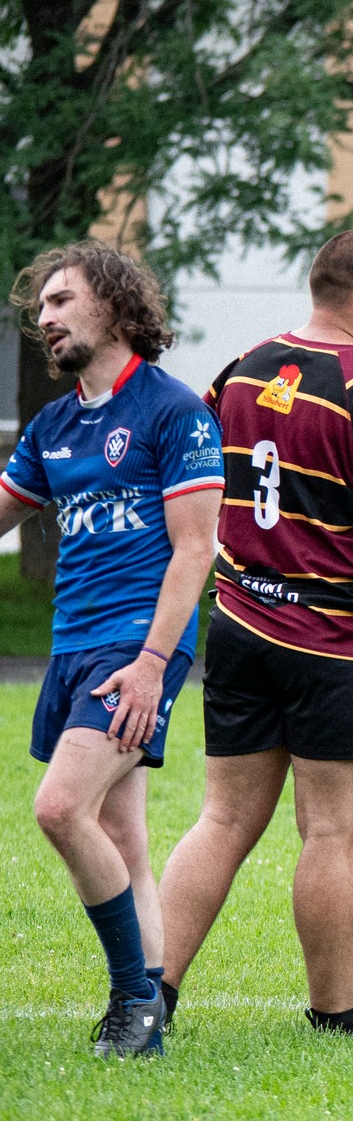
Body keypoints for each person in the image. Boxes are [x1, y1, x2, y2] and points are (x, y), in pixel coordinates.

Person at [158, 231, 353, 1036]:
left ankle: (147, 993)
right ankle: (334, 1016)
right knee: (333, 829)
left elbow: (195, 473)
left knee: (221, 818)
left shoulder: (242, 368)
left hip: (236, 622)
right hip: (335, 642)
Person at [2, 244, 222, 1057]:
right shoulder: (54, 425)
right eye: (41, 308)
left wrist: (155, 664)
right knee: (122, 836)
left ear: (118, 308)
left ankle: (134, 999)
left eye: (63, 300)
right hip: (71, 647)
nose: (46, 319)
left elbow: (195, 550)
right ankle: (150, 1011)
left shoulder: (174, 412)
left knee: (61, 808)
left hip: (135, 650)